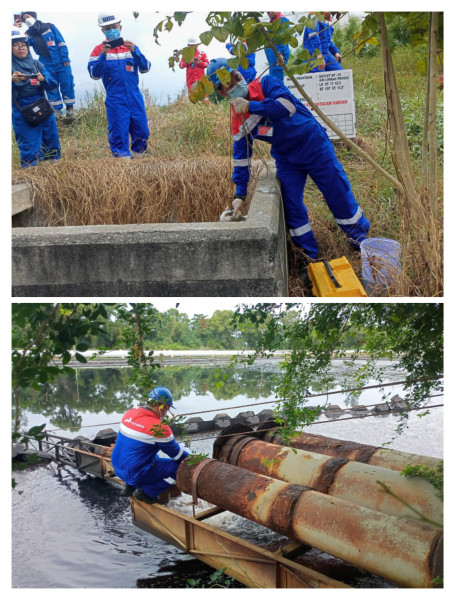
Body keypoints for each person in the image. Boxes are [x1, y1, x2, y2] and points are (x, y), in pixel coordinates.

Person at [206, 58, 370, 260]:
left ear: (240, 73)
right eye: (228, 84)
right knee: (292, 207)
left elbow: (287, 107)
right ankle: (310, 256)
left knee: (337, 192)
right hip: (287, 159)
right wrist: (239, 196)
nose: (235, 83)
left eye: (236, 77)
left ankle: (360, 241)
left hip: (314, 145)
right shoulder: (238, 121)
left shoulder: (266, 84)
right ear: (222, 92)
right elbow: (241, 159)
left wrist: (251, 105)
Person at [111, 387, 190, 503]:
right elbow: (178, 456)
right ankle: (147, 492)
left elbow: (143, 428)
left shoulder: (130, 413)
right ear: (163, 406)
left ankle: (129, 487)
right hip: (133, 473)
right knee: (179, 468)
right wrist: (194, 459)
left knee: (150, 456)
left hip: (117, 468)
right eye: (167, 409)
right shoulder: (160, 428)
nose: (166, 413)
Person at [88, 13, 151, 159]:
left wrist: (136, 52)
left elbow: (146, 67)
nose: (112, 30)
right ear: (103, 31)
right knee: (119, 131)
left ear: (120, 27)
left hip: (134, 96)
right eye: (108, 28)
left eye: (114, 27)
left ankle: (140, 156)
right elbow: (94, 74)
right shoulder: (98, 50)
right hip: (116, 98)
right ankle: (121, 160)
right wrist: (102, 55)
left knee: (142, 129)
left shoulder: (130, 47)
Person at [12, 27, 60, 168]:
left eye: (23, 44)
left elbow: (52, 85)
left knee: (51, 139)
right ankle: (32, 176)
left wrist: (43, 78)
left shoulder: (36, 64)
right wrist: (11, 80)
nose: (21, 47)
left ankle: (55, 174)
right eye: (15, 44)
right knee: (29, 143)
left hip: (42, 106)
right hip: (22, 109)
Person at [15, 11, 76, 117]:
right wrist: (16, 29)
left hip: (61, 61)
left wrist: (65, 57)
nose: (26, 20)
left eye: (28, 17)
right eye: (24, 19)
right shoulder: (28, 34)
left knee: (67, 83)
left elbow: (61, 42)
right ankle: (57, 111)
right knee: (50, 85)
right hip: (45, 63)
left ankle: (70, 108)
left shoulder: (49, 26)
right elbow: (20, 42)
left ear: (34, 17)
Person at [265, 12, 290, 82]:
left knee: (276, 81)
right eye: (268, 12)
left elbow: (282, 38)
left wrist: (280, 54)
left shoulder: (281, 20)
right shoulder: (273, 22)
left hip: (278, 57)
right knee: (274, 80)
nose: (270, 13)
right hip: (273, 58)